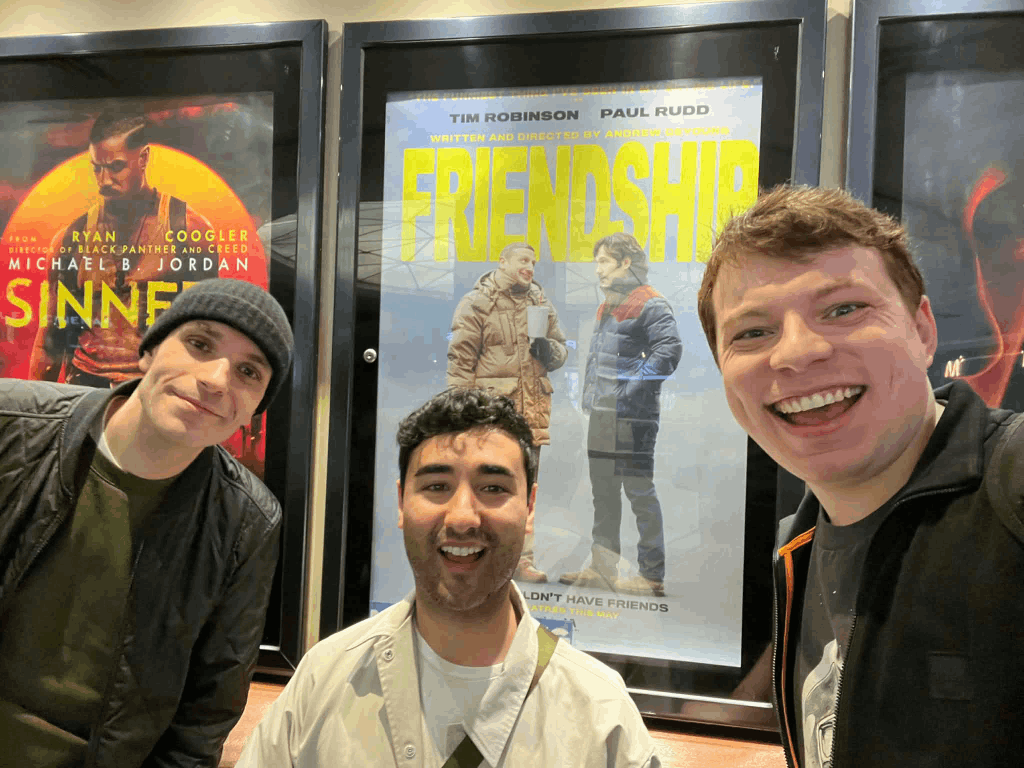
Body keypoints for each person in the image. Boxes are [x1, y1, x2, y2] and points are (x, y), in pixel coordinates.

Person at [697, 184, 1024, 767]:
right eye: (751, 332)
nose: (797, 353)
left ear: (923, 329)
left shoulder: (1014, 489)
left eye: (844, 309)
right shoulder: (799, 546)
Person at [237, 388, 660, 768]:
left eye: (493, 488)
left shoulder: (601, 712)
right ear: (401, 503)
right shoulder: (325, 678)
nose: (461, 517)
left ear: (529, 508)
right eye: (437, 486)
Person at [0, 278, 293, 767]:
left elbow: (203, 718)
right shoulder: (11, 425)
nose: (218, 380)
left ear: (254, 412)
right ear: (150, 351)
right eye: (199, 344)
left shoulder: (247, 523)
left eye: (248, 372)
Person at [29, 109, 217, 387]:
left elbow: (211, 334)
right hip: (85, 385)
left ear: (143, 158)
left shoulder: (189, 230)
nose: (104, 180)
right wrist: (34, 413)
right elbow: (49, 343)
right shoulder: (71, 237)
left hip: (154, 385)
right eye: (97, 168)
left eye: (116, 167)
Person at [561, 233, 681, 597]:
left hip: (632, 417)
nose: (597, 270)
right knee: (604, 493)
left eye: (604, 262)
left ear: (626, 262)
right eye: (596, 262)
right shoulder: (610, 305)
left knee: (639, 493)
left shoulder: (651, 304)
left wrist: (630, 391)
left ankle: (651, 575)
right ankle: (603, 567)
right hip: (603, 415)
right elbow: (599, 359)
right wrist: (590, 398)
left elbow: (669, 350)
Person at [447, 242, 568, 583]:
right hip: (491, 415)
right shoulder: (477, 303)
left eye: (533, 261)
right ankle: (482, 555)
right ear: (502, 262)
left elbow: (561, 350)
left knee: (524, 489)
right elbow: (461, 361)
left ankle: (522, 561)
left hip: (532, 412)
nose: (530, 267)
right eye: (523, 260)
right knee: (487, 487)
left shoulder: (540, 303)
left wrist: (549, 349)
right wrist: (460, 417)